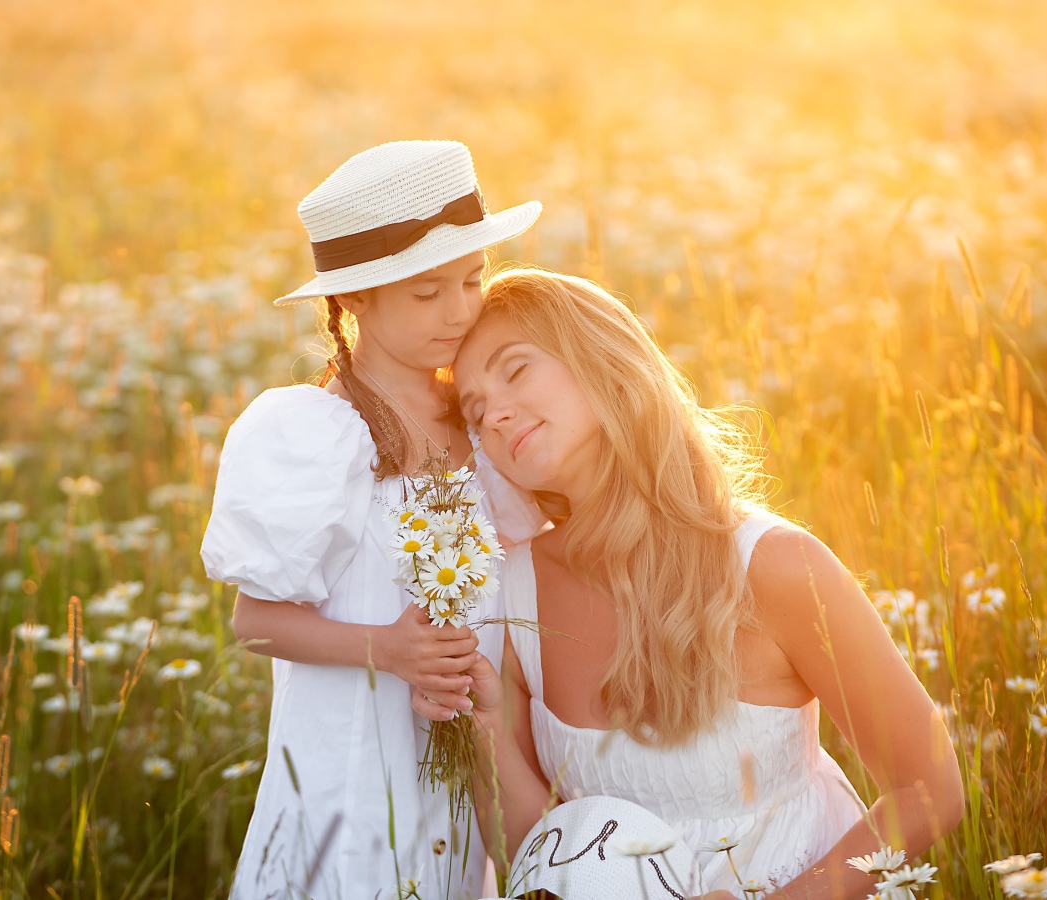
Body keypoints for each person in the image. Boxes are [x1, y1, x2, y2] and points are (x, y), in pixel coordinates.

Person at [421, 268, 964, 898]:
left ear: (602, 359)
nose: (495, 415)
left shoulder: (778, 567)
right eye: (476, 409)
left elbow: (929, 789)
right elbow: (543, 857)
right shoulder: (514, 594)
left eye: (514, 370)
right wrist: (484, 728)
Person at [201, 141, 541, 900]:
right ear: (354, 298)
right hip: (348, 782)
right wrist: (389, 648)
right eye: (427, 293)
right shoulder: (317, 433)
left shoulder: (483, 419)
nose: (459, 311)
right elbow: (254, 622)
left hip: (460, 791)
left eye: (472, 280)